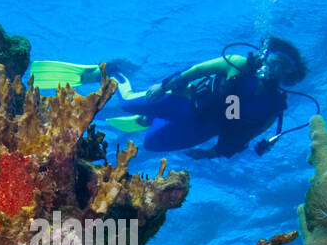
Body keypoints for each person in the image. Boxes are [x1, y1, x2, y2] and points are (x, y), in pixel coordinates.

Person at [29, 36, 310, 158]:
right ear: (264, 54)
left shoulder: (274, 106)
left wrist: (212, 152)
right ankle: (114, 73)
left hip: (207, 128)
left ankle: (149, 119)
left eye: (285, 66)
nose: (275, 67)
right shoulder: (237, 62)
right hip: (185, 101)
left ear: (290, 75)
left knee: (151, 143)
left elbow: (246, 135)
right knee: (126, 102)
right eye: (275, 58)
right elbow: (197, 70)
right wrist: (165, 86)